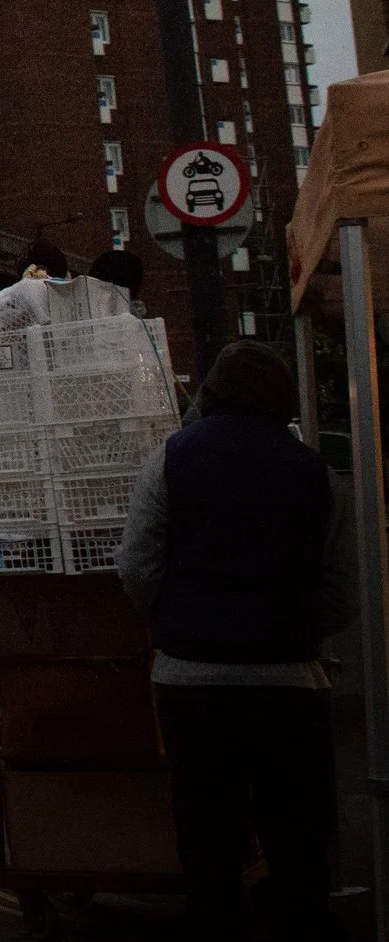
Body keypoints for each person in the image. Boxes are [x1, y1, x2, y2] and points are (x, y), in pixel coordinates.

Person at [116, 340, 355, 938]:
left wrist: (178, 619)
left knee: (208, 837)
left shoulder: (169, 461)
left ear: (211, 393)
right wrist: (292, 631)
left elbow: (136, 568)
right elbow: (343, 591)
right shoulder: (318, 475)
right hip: (289, 683)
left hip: (190, 681)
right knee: (297, 837)